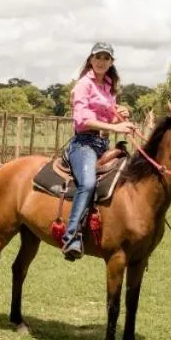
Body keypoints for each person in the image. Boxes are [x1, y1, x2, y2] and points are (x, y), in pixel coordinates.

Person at [61, 42, 134, 260]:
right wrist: (115, 127)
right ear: (90, 60)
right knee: (88, 183)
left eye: (106, 58)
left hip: (103, 144)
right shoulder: (84, 84)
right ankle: (71, 237)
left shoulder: (108, 86)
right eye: (98, 57)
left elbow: (106, 118)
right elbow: (83, 120)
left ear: (111, 62)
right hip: (83, 143)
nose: (102, 61)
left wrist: (120, 115)